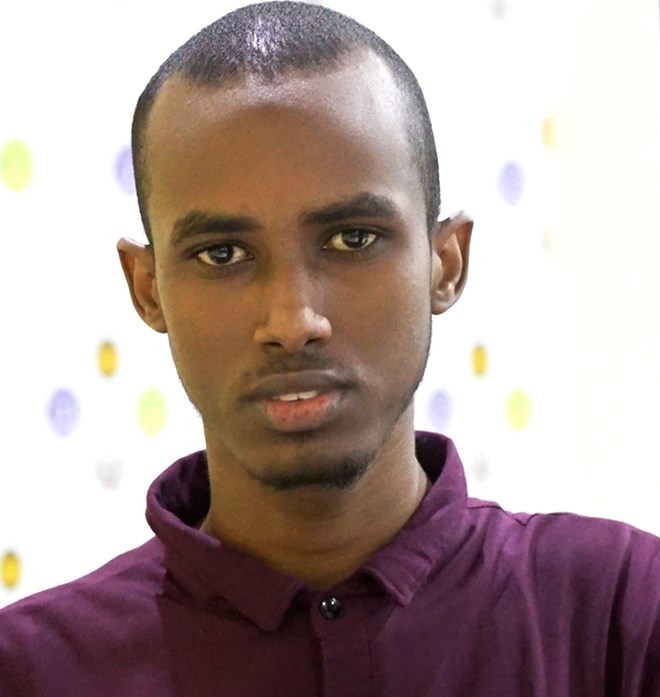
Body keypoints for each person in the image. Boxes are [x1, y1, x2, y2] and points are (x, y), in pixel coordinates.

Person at [1, 2, 658, 695]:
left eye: (352, 239)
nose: (293, 321)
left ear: (445, 264)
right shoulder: (31, 670)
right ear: (148, 288)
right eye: (222, 253)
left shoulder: (621, 615)